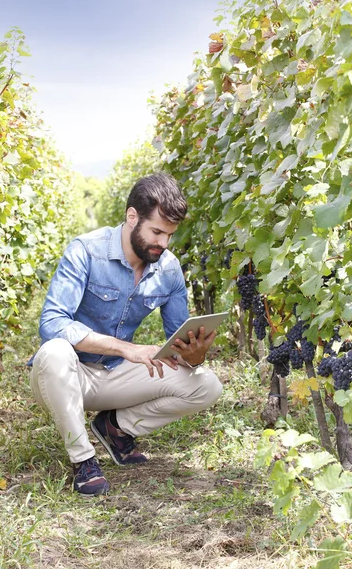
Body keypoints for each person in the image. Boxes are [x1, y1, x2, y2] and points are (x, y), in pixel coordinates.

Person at [29, 172, 222, 496]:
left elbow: (180, 342)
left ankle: (115, 428)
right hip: (65, 377)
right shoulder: (86, 251)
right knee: (55, 351)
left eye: (170, 235)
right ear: (132, 217)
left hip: (115, 378)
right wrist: (124, 348)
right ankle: (83, 459)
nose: (163, 243)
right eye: (157, 232)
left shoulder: (169, 268)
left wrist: (194, 354)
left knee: (207, 386)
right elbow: (51, 322)